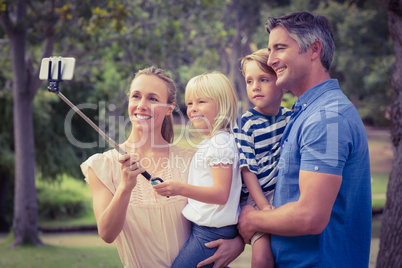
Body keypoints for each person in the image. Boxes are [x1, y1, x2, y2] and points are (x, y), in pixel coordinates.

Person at [237, 11, 372, 267]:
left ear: (314, 50)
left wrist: (252, 220)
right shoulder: (304, 112)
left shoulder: (327, 118)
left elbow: (310, 216)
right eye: (270, 49)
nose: (272, 59)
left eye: (280, 48)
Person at [80, 66, 244, 267]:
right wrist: (125, 187)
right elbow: (106, 234)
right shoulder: (101, 166)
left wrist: (239, 242)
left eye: (153, 99)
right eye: (136, 96)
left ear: (169, 108)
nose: (141, 105)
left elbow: (235, 200)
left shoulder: (192, 159)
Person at [153, 72, 242, 268]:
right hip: (205, 229)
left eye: (201, 101)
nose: (193, 109)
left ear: (222, 105)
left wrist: (179, 188)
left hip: (211, 232)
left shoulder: (220, 143)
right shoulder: (214, 142)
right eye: (190, 103)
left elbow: (221, 194)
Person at [233, 49, 291, 267]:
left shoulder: (290, 117)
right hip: (258, 195)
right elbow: (247, 170)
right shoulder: (246, 123)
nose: (255, 86)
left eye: (263, 79)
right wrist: (264, 206)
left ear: (282, 83)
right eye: (249, 81)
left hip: (285, 192)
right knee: (262, 256)